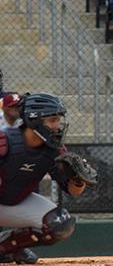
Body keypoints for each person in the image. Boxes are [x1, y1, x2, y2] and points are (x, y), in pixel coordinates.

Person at [0, 94, 91, 264]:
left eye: (58, 120)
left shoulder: (54, 150)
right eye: (53, 120)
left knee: (60, 224)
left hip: (13, 202)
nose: (58, 126)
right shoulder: (5, 140)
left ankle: (5, 248)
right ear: (34, 120)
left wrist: (78, 179)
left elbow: (73, 191)